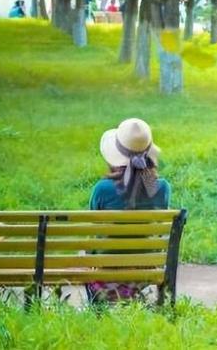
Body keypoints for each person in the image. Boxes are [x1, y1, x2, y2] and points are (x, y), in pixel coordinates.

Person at [87, 118, 171, 303]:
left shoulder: (103, 189)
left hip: (107, 269)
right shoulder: (162, 188)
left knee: (86, 253)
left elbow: (93, 231)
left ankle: (97, 309)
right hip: (146, 269)